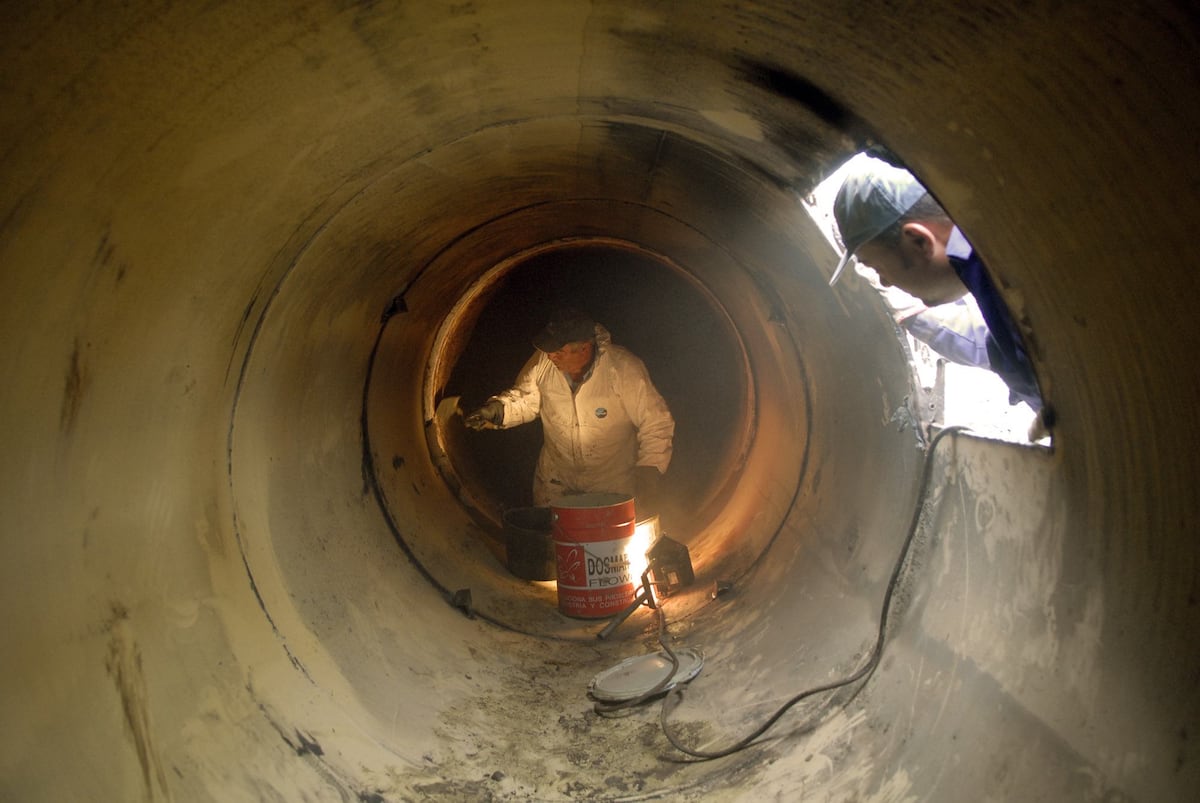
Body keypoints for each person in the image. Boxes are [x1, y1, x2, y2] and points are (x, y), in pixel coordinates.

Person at [829, 155, 1045, 421]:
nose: (884, 282)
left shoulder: (1027, 286)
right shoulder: (978, 265)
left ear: (919, 241)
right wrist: (913, 315)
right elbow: (992, 346)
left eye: (877, 268)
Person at [464, 308, 675, 511]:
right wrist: (498, 410)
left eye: (558, 351)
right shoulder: (543, 362)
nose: (550, 356)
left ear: (585, 347)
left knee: (608, 545)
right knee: (555, 543)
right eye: (548, 350)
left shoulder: (622, 368)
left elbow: (656, 422)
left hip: (612, 485)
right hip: (556, 481)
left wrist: (650, 468)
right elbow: (526, 399)